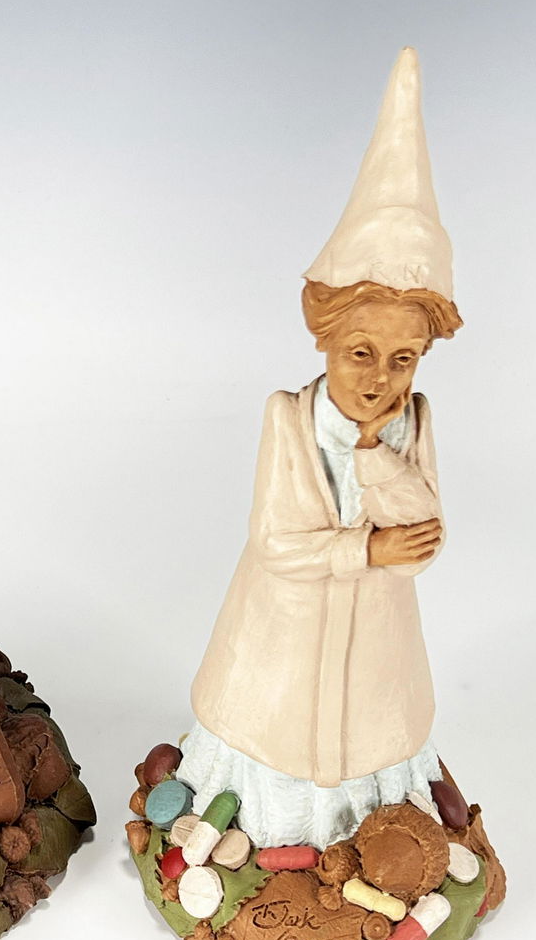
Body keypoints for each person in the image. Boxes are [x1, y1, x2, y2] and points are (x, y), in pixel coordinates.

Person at [182, 48, 464, 849]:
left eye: (403, 359)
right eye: (360, 353)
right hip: (284, 636)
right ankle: (256, 830)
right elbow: (277, 543)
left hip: (375, 642)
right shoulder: (288, 421)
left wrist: (376, 455)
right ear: (326, 342)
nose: (379, 379)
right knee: (275, 730)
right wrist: (365, 550)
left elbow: (423, 543)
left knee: (374, 729)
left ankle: (377, 837)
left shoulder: (414, 425)